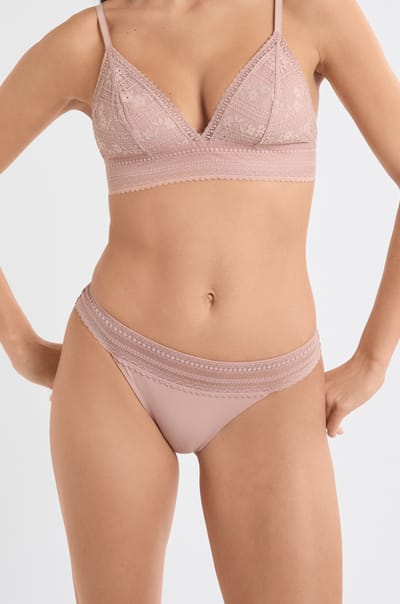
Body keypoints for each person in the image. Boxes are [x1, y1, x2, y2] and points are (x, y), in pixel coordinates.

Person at [1, 0, 399, 602]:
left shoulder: (309, 13)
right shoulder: (93, 37)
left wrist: (373, 359)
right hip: (117, 369)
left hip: (274, 387)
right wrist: (20, 345)